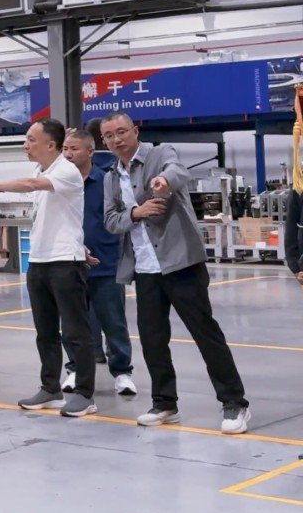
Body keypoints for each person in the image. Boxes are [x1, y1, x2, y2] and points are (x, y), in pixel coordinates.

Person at [101, 111, 250, 434]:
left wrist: (164, 182)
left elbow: (176, 170)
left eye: (121, 131)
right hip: (145, 268)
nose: (116, 139)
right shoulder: (111, 177)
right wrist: (136, 212)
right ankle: (165, 403)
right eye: (109, 135)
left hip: (180, 262)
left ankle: (234, 402)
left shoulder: (160, 154)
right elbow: (110, 220)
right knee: (153, 339)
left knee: (205, 333)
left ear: (135, 131)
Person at [0, 119, 96, 418]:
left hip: (64, 262)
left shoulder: (65, 171)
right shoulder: (41, 171)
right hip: (39, 261)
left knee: (75, 331)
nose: (25, 145)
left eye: (30, 139)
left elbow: (31, 186)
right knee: (45, 331)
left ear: (51, 144)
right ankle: (50, 388)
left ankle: (85, 394)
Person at [59, 128, 136, 396]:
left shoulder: (107, 182)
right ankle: (74, 369)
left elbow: (121, 217)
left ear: (90, 151)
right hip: (69, 263)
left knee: (114, 321)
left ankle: (122, 372)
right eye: (64, 149)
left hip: (105, 264)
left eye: (74, 149)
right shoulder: (60, 183)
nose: (68, 154)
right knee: (72, 323)